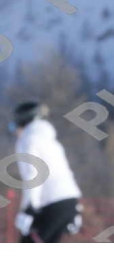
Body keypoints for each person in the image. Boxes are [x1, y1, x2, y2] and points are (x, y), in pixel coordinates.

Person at [9, 101, 83, 242]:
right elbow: (65, 173)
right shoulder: (50, 140)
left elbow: (33, 175)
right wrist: (76, 209)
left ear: (23, 120)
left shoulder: (27, 140)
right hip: (68, 202)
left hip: (51, 204)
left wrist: (29, 208)